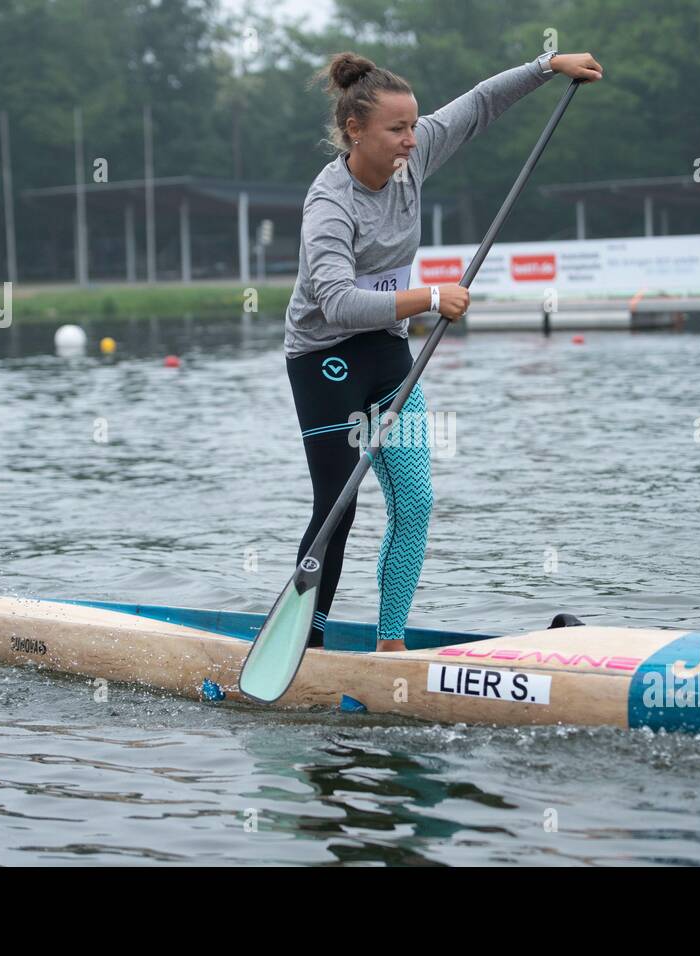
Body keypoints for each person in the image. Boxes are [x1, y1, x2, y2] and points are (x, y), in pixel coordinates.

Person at [285, 49, 604, 652]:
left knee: (417, 500)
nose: (411, 140)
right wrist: (430, 295)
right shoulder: (329, 203)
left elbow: (482, 103)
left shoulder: (414, 156)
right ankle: (308, 643)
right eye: (396, 129)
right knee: (339, 505)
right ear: (355, 131)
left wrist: (547, 66)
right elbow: (335, 303)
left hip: (383, 352)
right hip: (324, 358)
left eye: (413, 126)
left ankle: (390, 646)